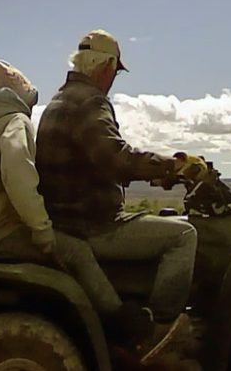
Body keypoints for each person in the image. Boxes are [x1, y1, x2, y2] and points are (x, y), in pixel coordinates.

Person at [0, 60, 158, 355]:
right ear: (16, 89)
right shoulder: (16, 122)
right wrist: (42, 229)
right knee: (76, 251)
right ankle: (120, 324)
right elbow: (18, 174)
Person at [36, 30, 201, 358]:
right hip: (93, 225)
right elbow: (116, 158)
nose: (113, 79)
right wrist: (175, 166)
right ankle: (159, 330)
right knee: (183, 235)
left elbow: (95, 163)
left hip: (67, 218)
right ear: (106, 65)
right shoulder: (90, 101)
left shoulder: (60, 100)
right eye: (114, 71)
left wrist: (158, 176)